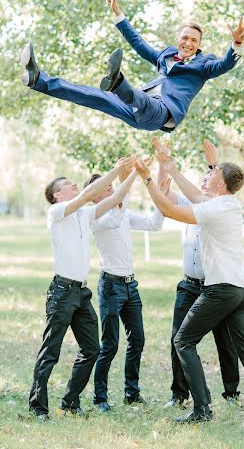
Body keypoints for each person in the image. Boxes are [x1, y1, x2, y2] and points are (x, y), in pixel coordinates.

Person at [135, 147, 244, 424]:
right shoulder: (229, 204)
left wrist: (147, 180)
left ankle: (202, 409)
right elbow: (196, 196)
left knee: (183, 340)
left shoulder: (216, 207)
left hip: (221, 289)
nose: (209, 173)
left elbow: (168, 209)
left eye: (214, 172)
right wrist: (173, 169)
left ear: (221, 183)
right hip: (242, 290)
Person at [21, 0, 244, 133]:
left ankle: (117, 82)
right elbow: (139, 44)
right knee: (91, 96)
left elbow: (224, 65)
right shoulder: (164, 57)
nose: (189, 44)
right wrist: (118, 14)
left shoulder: (203, 66)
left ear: (199, 45)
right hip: (136, 110)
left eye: (194, 41)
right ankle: (37, 80)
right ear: (178, 39)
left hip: (162, 113)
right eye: (185, 38)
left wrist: (236, 44)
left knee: (139, 98)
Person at [29, 156, 137, 420]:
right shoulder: (57, 213)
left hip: (82, 293)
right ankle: (37, 407)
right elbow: (90, 193)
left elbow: (113, 200)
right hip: (62, 292)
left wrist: (135, 173)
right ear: (57, 195)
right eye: (68, 184)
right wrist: (115, 169)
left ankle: (69, 402)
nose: (75, 185)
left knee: (91, 349)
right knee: (50, 351)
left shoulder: (84, 215)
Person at [155, 138, 240, 410]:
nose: (204, 183)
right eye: (201, 180)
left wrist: (214, 163)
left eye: (208, 179)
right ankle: (179, 393)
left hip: (215, 286)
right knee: (178, 338)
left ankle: (231, 392)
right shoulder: (193, 205)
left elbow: (224, 182)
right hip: (189, 285)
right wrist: (162, 168)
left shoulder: (217, 208)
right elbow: (165, 197)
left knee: (225, 341)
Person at [83, 168, 164, 412]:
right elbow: (116, 216)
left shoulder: (123, 213)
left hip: (131, 286)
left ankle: (132, 392)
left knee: (137, 340)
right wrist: (130, 177)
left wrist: (163, 200)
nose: (111, 189)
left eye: (112, 186)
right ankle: (100, 398)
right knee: (109, 345)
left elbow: (154, 225)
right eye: (106, 188)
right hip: (110, 286)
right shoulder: (95, 218)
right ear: (95, 197)